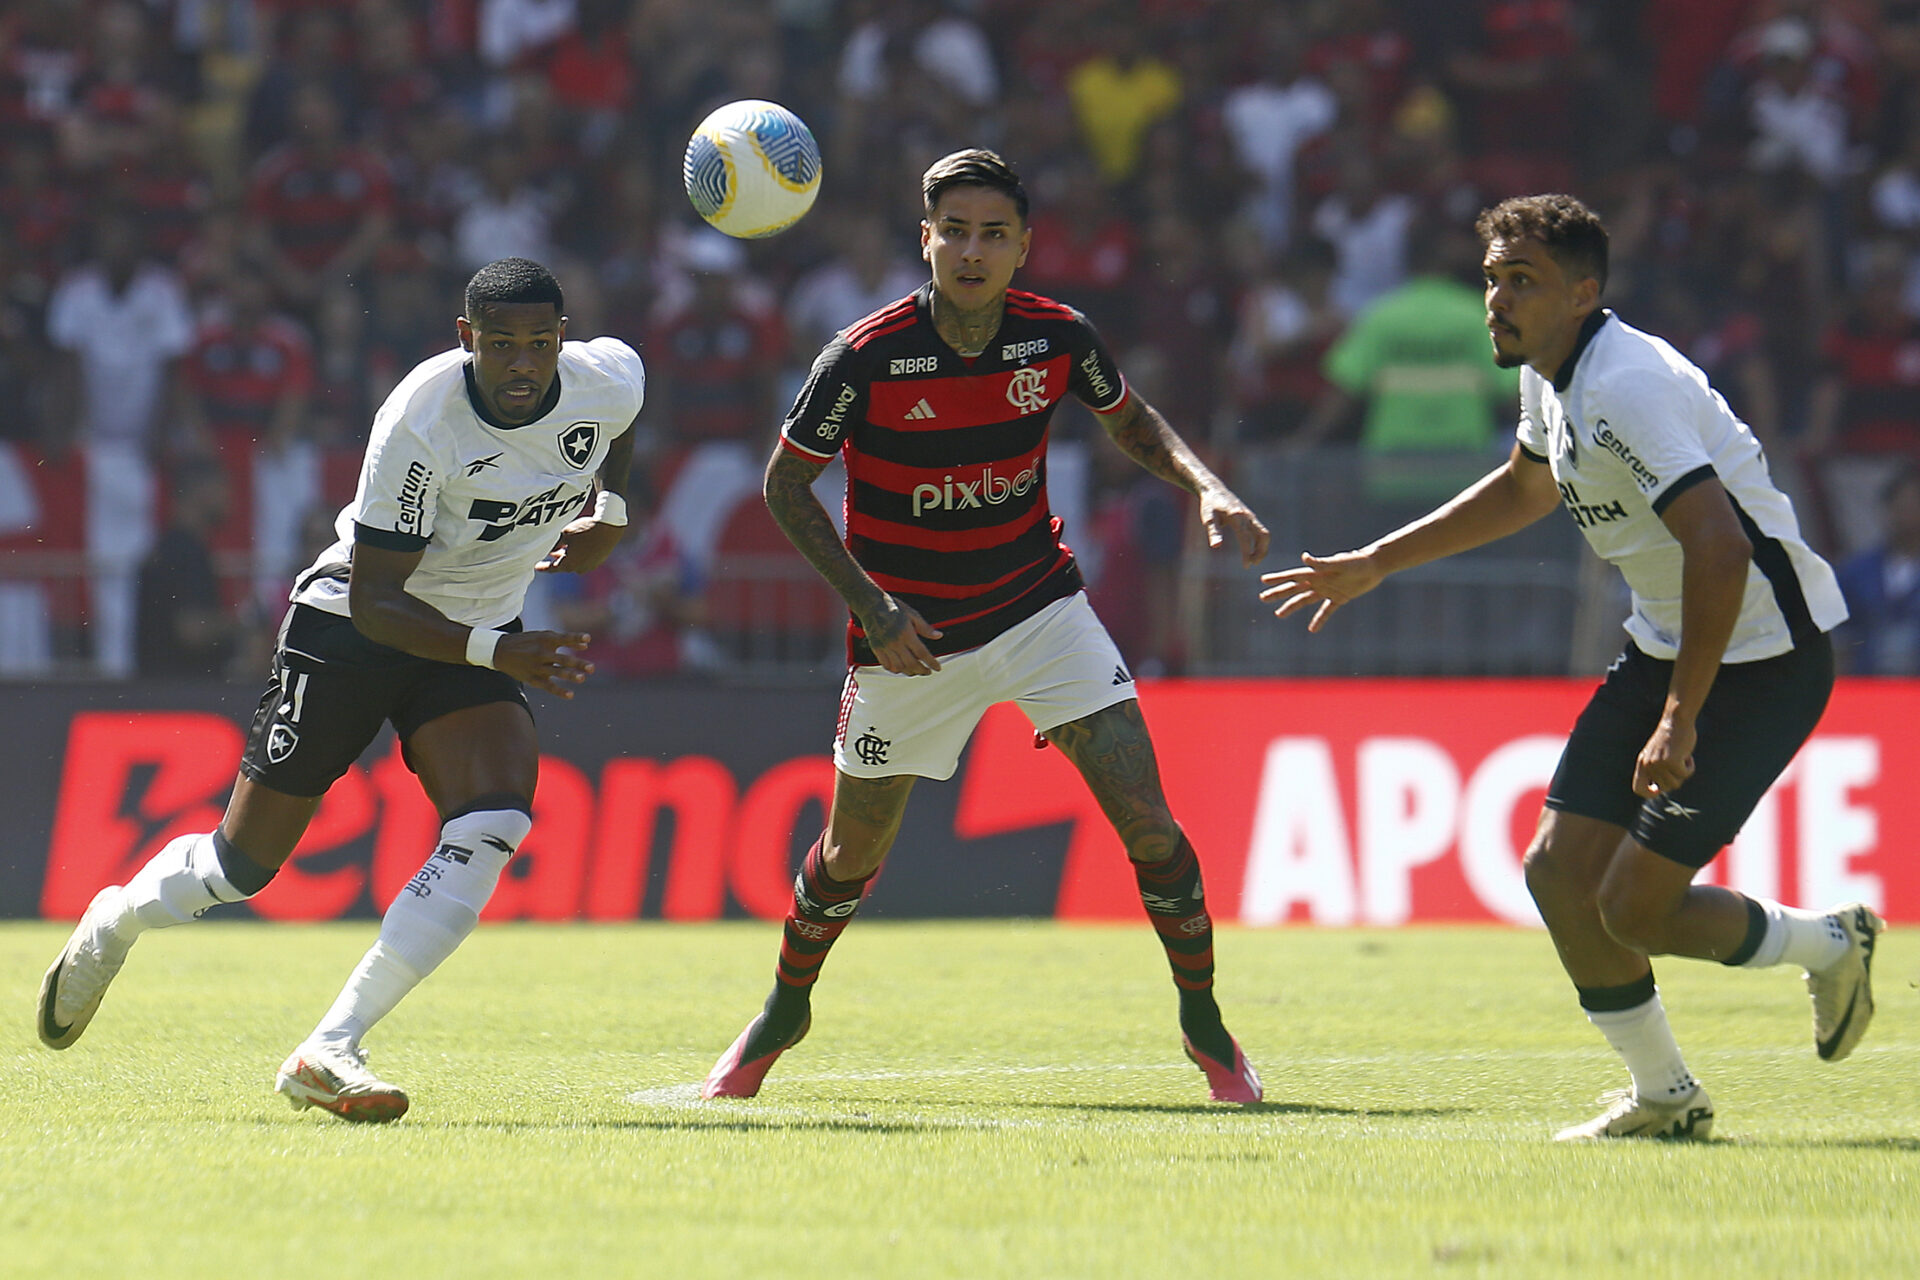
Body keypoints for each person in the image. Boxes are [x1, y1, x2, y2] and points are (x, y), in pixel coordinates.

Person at [1261, 194, 1881, 1141]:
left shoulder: (1623, 383)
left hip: (1764, 657)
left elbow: (1720, 551)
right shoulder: (1553, 375)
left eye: (1524, 281)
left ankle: (1829, 943)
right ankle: (1667, 1098)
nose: (1497, 301)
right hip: (1667, 643)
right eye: (1493, 280)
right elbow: (1525, 487)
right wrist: (1378, 562)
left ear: (1586, 292)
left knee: (1635, 906)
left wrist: (1682, 717)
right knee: (1557, 873)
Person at [702, 149, 1271, 1104]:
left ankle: (1207, 1025)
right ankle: (784, 1009)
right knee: (849, 859)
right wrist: (873, 609)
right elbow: (784, 484)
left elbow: (1129, 421)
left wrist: (1208, 488)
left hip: (1042, 610)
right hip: (910, 642)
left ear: (1022, 247)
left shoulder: (1057, 338)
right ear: (925, 239)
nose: (972, 250)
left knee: (1149, 823)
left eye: (992, 234)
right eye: (954, 231)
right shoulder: (864, 356)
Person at [37, 258, 645, 1124]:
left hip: (467, 642)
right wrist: (499, 653)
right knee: (241, 867)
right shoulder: (420, 418)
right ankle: (116, 920)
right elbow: (378, 600)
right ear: (466, 339)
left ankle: (331, 1048)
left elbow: (622, 420)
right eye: (501, 345)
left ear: (563, 340)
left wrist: (607, 517)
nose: (522, 365)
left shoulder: (603, 378)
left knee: (496, 821)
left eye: (540, 345)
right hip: (354, 631)